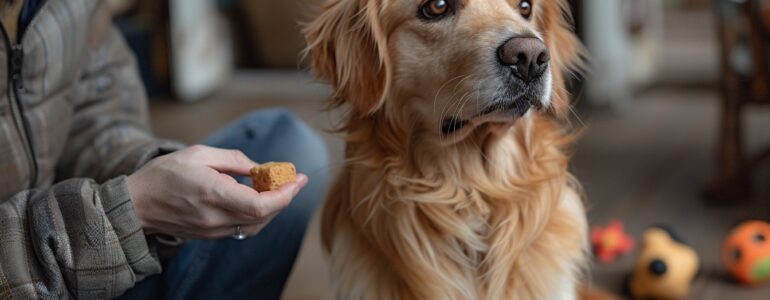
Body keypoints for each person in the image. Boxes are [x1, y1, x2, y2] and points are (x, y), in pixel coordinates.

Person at [0, 0, 329, 299]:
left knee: (287, 142)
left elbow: (100, 116)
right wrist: (128, 211)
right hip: (29, 273)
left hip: (89, 262)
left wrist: (153, 171)